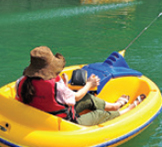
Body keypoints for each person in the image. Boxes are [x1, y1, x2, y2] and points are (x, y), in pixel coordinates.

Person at [16, 46, 145, 126]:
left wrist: (65, 85)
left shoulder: (21, 82)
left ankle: (115, 105)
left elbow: (47, 99)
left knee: (88, 99)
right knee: (99, 114)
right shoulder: (56, 87)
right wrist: (89, 84)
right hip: (64, 124)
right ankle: (125, 110)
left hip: (38, 118)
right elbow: (76, 97)